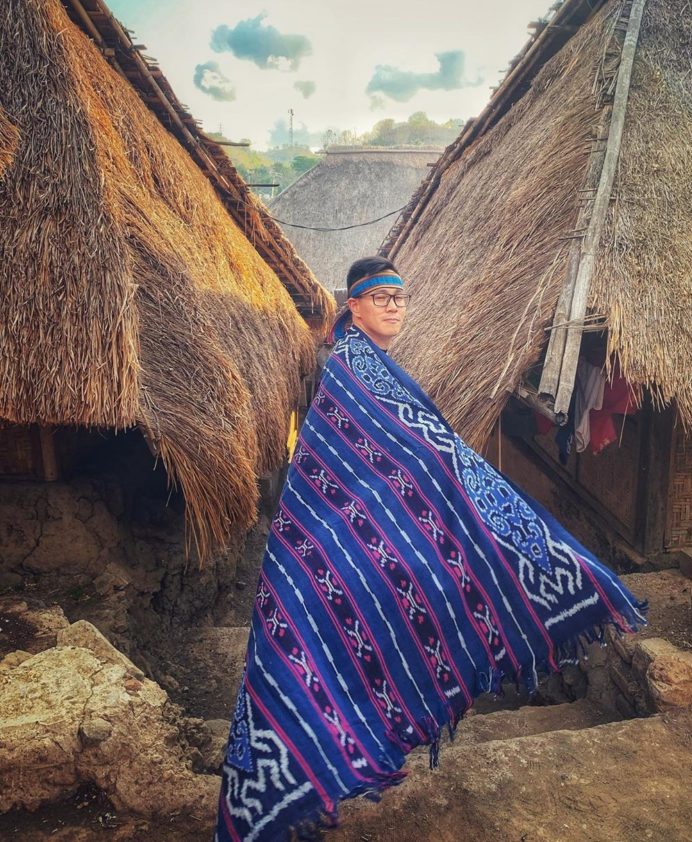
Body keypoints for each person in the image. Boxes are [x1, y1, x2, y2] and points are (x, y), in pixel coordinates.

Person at [215, 256, 646, 841]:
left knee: (382, 626)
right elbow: (402, 456)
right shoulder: (352, 369)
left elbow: (422, 454)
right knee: (331, 635)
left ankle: (324, 762)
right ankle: (304, 773)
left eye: (400, 296)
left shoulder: (374, 366)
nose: (394, 305)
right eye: (380, 297)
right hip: (333, 537)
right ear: (355, 306)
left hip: (359, 535)